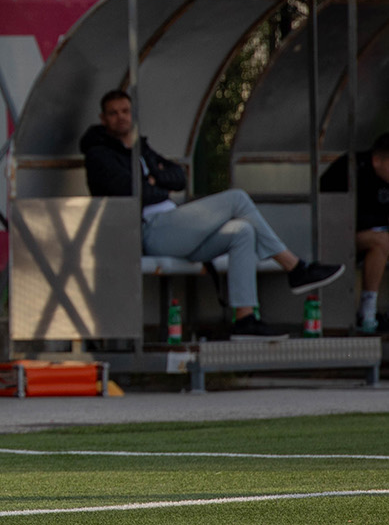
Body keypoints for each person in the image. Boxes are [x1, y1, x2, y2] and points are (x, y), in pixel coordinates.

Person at [81, 89, 343, 339]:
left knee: (243, 231)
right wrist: (156, 182)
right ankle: (295, 267)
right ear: (103, 119)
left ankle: (245, 319)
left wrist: (154, 178)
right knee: (237, 198)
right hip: (148, 231)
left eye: (125, 111)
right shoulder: (99, 154)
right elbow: (133, 192)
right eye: (113, 113)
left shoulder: (141, 148)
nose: (121, 117)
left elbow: (178, 177)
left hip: (175, 230)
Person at [319, 132, 389, 333]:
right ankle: (367, 312)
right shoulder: (350, 169)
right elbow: (329, 214)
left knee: (382, 241)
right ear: (377, 160)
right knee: (381, 240)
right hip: (336, 237)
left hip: (373, 239)